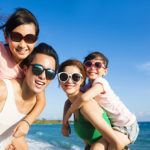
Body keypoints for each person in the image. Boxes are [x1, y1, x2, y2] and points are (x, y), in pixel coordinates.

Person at [62, 52, 139, 149]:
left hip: (127, 126)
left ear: (105, 71)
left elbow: (83, 98)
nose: (92, 68)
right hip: (113, 126)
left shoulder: (100, 82)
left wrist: (66, 118)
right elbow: (69, 101)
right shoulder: (86, 87)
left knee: (105, 146)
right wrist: (64, 125)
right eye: (88, 64)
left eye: (98, 65)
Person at [0, 42, 59, 150]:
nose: (43, 76)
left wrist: (27, 122)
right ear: (26, 69)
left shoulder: (37, 101)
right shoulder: (3, 91)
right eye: (37, 69)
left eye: (50, 73)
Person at [0, 8, 46, 140]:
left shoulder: (31, 65)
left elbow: (41, 100)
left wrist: (27, 122)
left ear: (35, 40)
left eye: (29, 38)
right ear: (6, 36)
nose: (22, 44)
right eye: (16, 37)